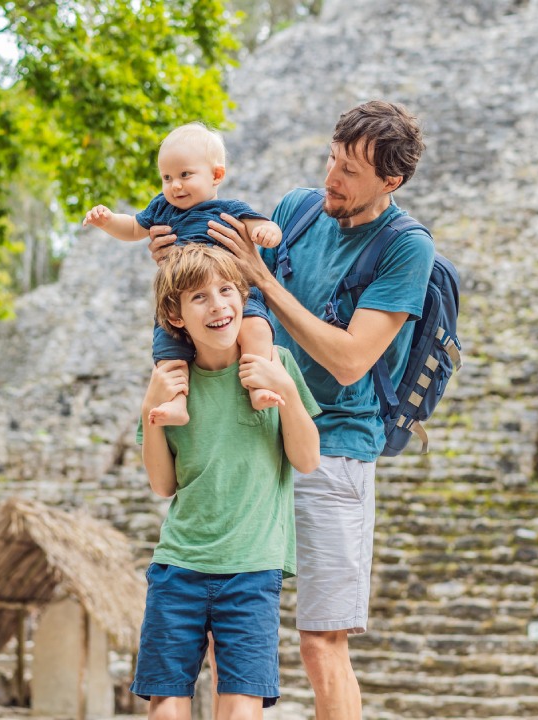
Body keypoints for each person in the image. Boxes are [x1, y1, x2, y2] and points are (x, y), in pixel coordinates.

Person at [147, 100, 435, 720]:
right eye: (332, 158)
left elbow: (351, 359)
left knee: (320, 643)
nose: (332, 177)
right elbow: (226, 292)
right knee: (231, 631)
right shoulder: (296, 212)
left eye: (351, 171)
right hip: (252, 438)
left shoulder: (404, 248)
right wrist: (178, 255)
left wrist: (268, 280)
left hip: (334, 447)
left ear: (392, 180)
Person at [131, 243, 321, 720]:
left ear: (243, 299)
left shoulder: (272, 365)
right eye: (199, 298)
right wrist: (149, 410)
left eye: (227, 291)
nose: (218, 305)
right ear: (175, 317)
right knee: (166, 704)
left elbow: (308, 458)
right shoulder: (170, 382)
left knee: (241, 706)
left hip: (252, 569)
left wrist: (286, 392)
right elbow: (162, 483)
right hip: (180, 565)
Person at [84, 122, 284, 427]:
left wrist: (267, 231)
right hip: (180, 299)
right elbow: (135, 228)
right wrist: (109, 221)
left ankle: (259, 386)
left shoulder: (228, 209)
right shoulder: (162, 209)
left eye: (185, 175)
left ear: (216, 175)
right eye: (167, 177)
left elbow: (256, 225)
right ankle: (176, 403)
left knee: (257, 327)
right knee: (168, 351)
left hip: (234, 293)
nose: (175, 185)